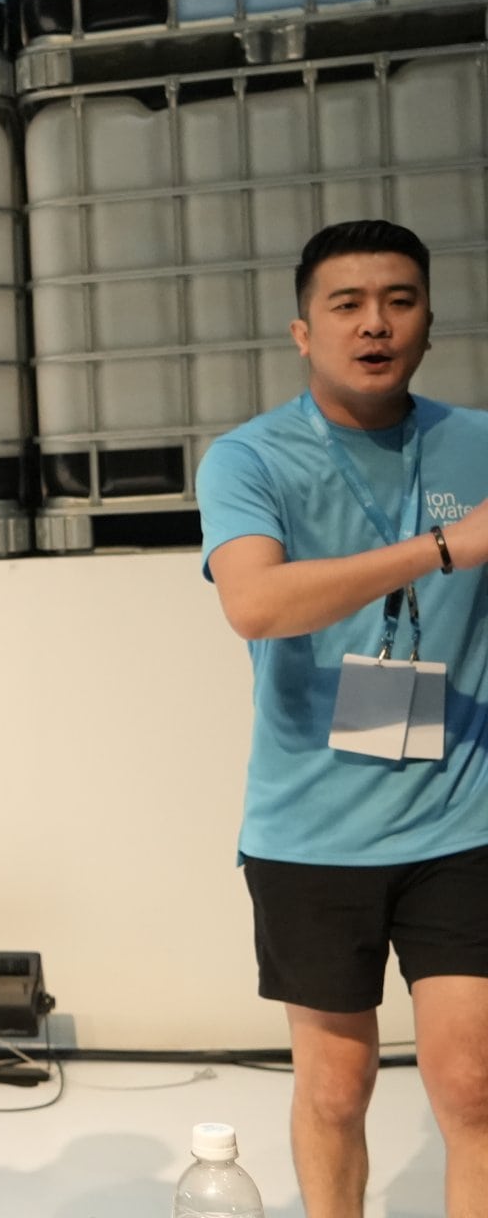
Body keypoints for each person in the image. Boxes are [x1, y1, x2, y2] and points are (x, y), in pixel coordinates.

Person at [198, 219, 488, 1217]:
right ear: (303, 331)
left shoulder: (479, 444)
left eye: (400, 302)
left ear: (430, 323)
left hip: (461, 816)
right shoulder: (249, 458)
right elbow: (255, 603)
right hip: (311, 829)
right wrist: (441, 549)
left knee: (473, 1082)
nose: (376, 323)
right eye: (348, 304)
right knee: (335, 1086)